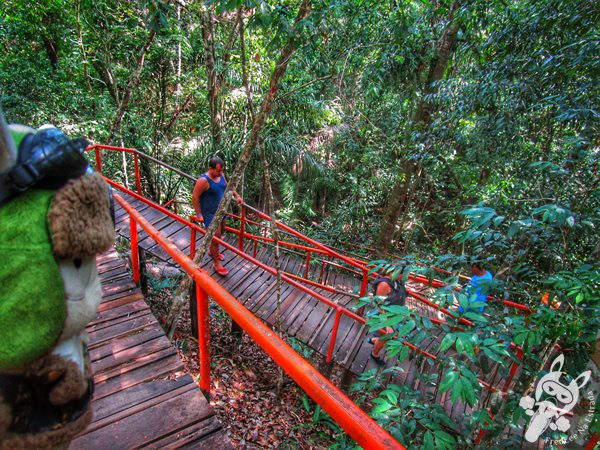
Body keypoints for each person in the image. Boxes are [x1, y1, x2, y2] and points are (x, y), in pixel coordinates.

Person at [192, 156, 242, 276]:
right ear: (211, 168)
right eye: (218, 170)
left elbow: (228, 186)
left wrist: (237, 195)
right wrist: (199, 213)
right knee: (216, 238)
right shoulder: (203, 181)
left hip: (222, 211)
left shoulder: (221, 175)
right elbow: (195, 197)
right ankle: (216, 263)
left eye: (221, 170)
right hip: (210, 214)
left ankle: (212, 251)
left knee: (220, 235)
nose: (220, 173)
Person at [368, 272, 407, 365]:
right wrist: (387, 324)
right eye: (404, 274)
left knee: (389, 336)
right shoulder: (384, 285)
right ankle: (374, 354)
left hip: (393, 315)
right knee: (385, 337)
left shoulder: (397, 281)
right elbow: (379, 305)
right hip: (383, 317)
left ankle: (373, 340)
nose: (406, 276)